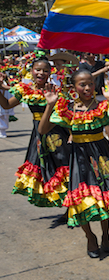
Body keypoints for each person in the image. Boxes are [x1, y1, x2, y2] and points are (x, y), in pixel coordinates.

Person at [39, 68, 109, 258]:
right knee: (81, 198)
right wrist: (50, 105)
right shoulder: (67, 109)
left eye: (90, 83)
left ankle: (106, 235)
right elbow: (43, 128)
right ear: (74, 87)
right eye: (83, 84)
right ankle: (90, 237)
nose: (88, 87)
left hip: (101, 155)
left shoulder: (101, 107)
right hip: (78, 155)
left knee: (104, 196)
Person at [1, 53, 70, 209]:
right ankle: (60, 203)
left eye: (45, 71)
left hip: (56, 133)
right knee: (44, 168)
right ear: (31, 71)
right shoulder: (25, 90)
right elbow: (6, 105)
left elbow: (65, 115)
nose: (41, 73)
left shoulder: (56, 89)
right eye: (37, 70)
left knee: (63, 167)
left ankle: (70, 208)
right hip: (38, 135)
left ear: (50, 73)